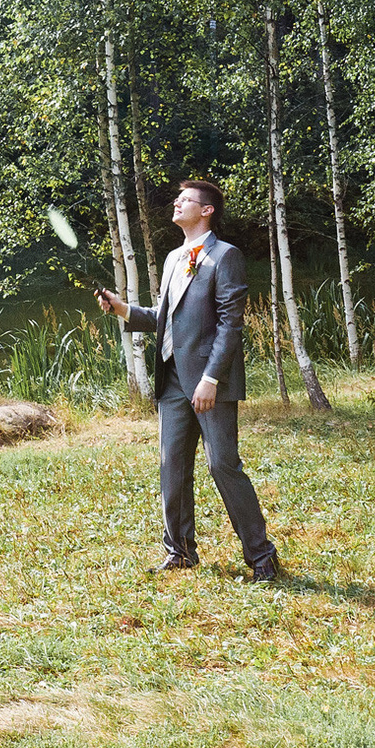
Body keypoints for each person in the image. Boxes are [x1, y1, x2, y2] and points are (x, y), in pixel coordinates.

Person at [96, 181, 281, 583]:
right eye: (178, 199)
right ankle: (179, 551)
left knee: (223, 465)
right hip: (172, 380)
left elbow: (230, 326)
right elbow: (165, 318)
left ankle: (262, 556)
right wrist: (123, 309)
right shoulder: (173, 258)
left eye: (186, 200)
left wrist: (211, 378)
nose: (177, 203)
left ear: (207, 210)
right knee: (172, 466)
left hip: (209, 381)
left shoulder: (225, 256)